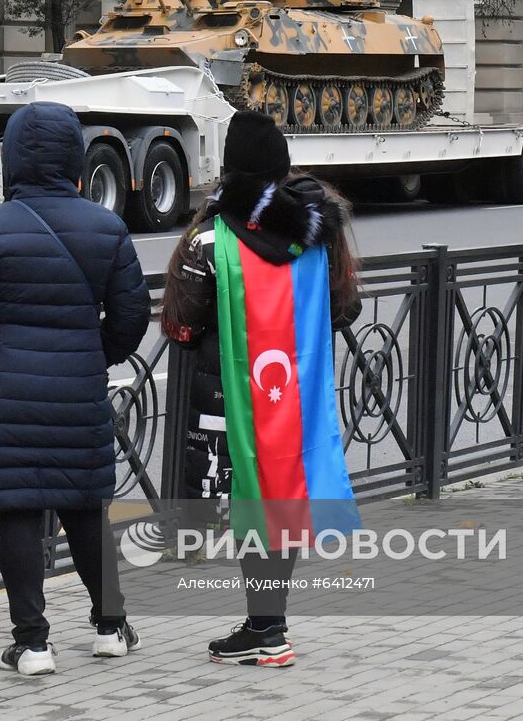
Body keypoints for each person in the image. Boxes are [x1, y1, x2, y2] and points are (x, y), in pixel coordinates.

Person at [0, 101, 150, 677]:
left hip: (4, 402)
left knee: (18, 513)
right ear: (75, 160)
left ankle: (32, 644)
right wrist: (85, 355)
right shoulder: (109, 228)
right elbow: (130, 319)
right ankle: (110, 627)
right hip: (77, 395)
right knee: (85, 509)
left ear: (16, 160)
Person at [161, 109, 361, 668]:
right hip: (294, 398)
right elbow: (346, 308)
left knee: (249, 505)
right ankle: (268, 625)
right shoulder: (321, 235)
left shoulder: (208, 240)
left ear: (229, 172)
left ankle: (265, 629)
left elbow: (181, 324)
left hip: (228, 402)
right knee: (280, 499)